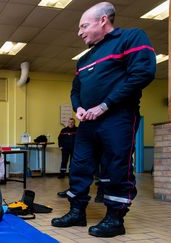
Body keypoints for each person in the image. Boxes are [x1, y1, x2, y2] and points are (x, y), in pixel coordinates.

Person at [51, 2, 156, 238]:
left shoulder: (131, 38)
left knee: (115, 166)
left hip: (118, 118)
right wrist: (78, 108)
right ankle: (77, 212)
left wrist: (105, 105)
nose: (79, 32)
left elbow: (143, 73)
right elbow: (75, 88)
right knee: (79, 166)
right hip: (87, 123)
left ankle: (115, 219)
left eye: (83, 26)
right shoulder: (84, 58)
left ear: (103, 20)